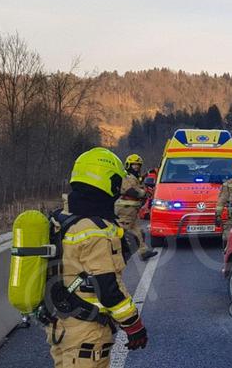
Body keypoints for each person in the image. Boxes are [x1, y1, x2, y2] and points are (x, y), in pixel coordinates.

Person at [48, 147, 149, 367]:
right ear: (108, 181)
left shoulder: (61, 218)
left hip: (61, 326)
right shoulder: (96, 229)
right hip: (87, 333)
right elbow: (107, 288)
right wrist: (134, 325)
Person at [114, 154, 156, 261]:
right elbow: (129, 190)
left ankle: (143, 252)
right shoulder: (127, 176)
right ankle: (112, 252)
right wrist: (143, 193)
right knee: (121, 231)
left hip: (132, 209)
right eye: (134, 165)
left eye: (138, 165)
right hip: (126, 208)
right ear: (128, 165)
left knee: (138, 231)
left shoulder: (135, 177)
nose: (136, 167)